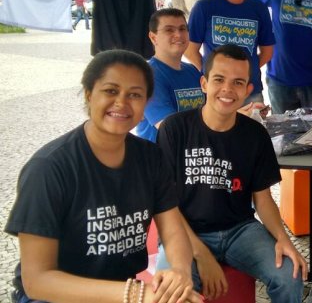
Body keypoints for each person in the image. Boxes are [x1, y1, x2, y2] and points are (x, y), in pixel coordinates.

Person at [5, 49, 202, 303]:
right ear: (89, 94)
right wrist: (136, 294)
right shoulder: (49, 168)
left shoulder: (150, 157)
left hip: (121, 290)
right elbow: (37, 280)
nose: (121, 102)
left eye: (134, 95)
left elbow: (173, 231)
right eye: (110, 91)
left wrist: (179, 273)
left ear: (146, 103)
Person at [156, 44, 307, 302]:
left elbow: (263, 199)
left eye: (238, 82)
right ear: (204, 83)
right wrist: (201, 255)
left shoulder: (255, 134)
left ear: (248, 90)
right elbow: (165, 206)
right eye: (219, 79)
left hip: (240, 230)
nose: (227, 89)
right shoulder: (175, 129)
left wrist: (283, 238)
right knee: (173, 290)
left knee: (289, 275)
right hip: (183, 231)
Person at [185, 0, 275, 104]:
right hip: (217, 93)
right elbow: (189, 49)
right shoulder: (204, 7)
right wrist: (211, 72)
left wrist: (245, 70)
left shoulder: (258, 8)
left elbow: (267, 52)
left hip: (250, 91)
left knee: (253, 128)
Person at [136, 8, 205, 142]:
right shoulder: (148, 76)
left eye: (182, 29)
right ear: (153, 37)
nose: (178, 35)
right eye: (169, 30)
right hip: (160, 157)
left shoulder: (192, 71)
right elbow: (170, 129)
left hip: (192, 153)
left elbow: (210, 111)